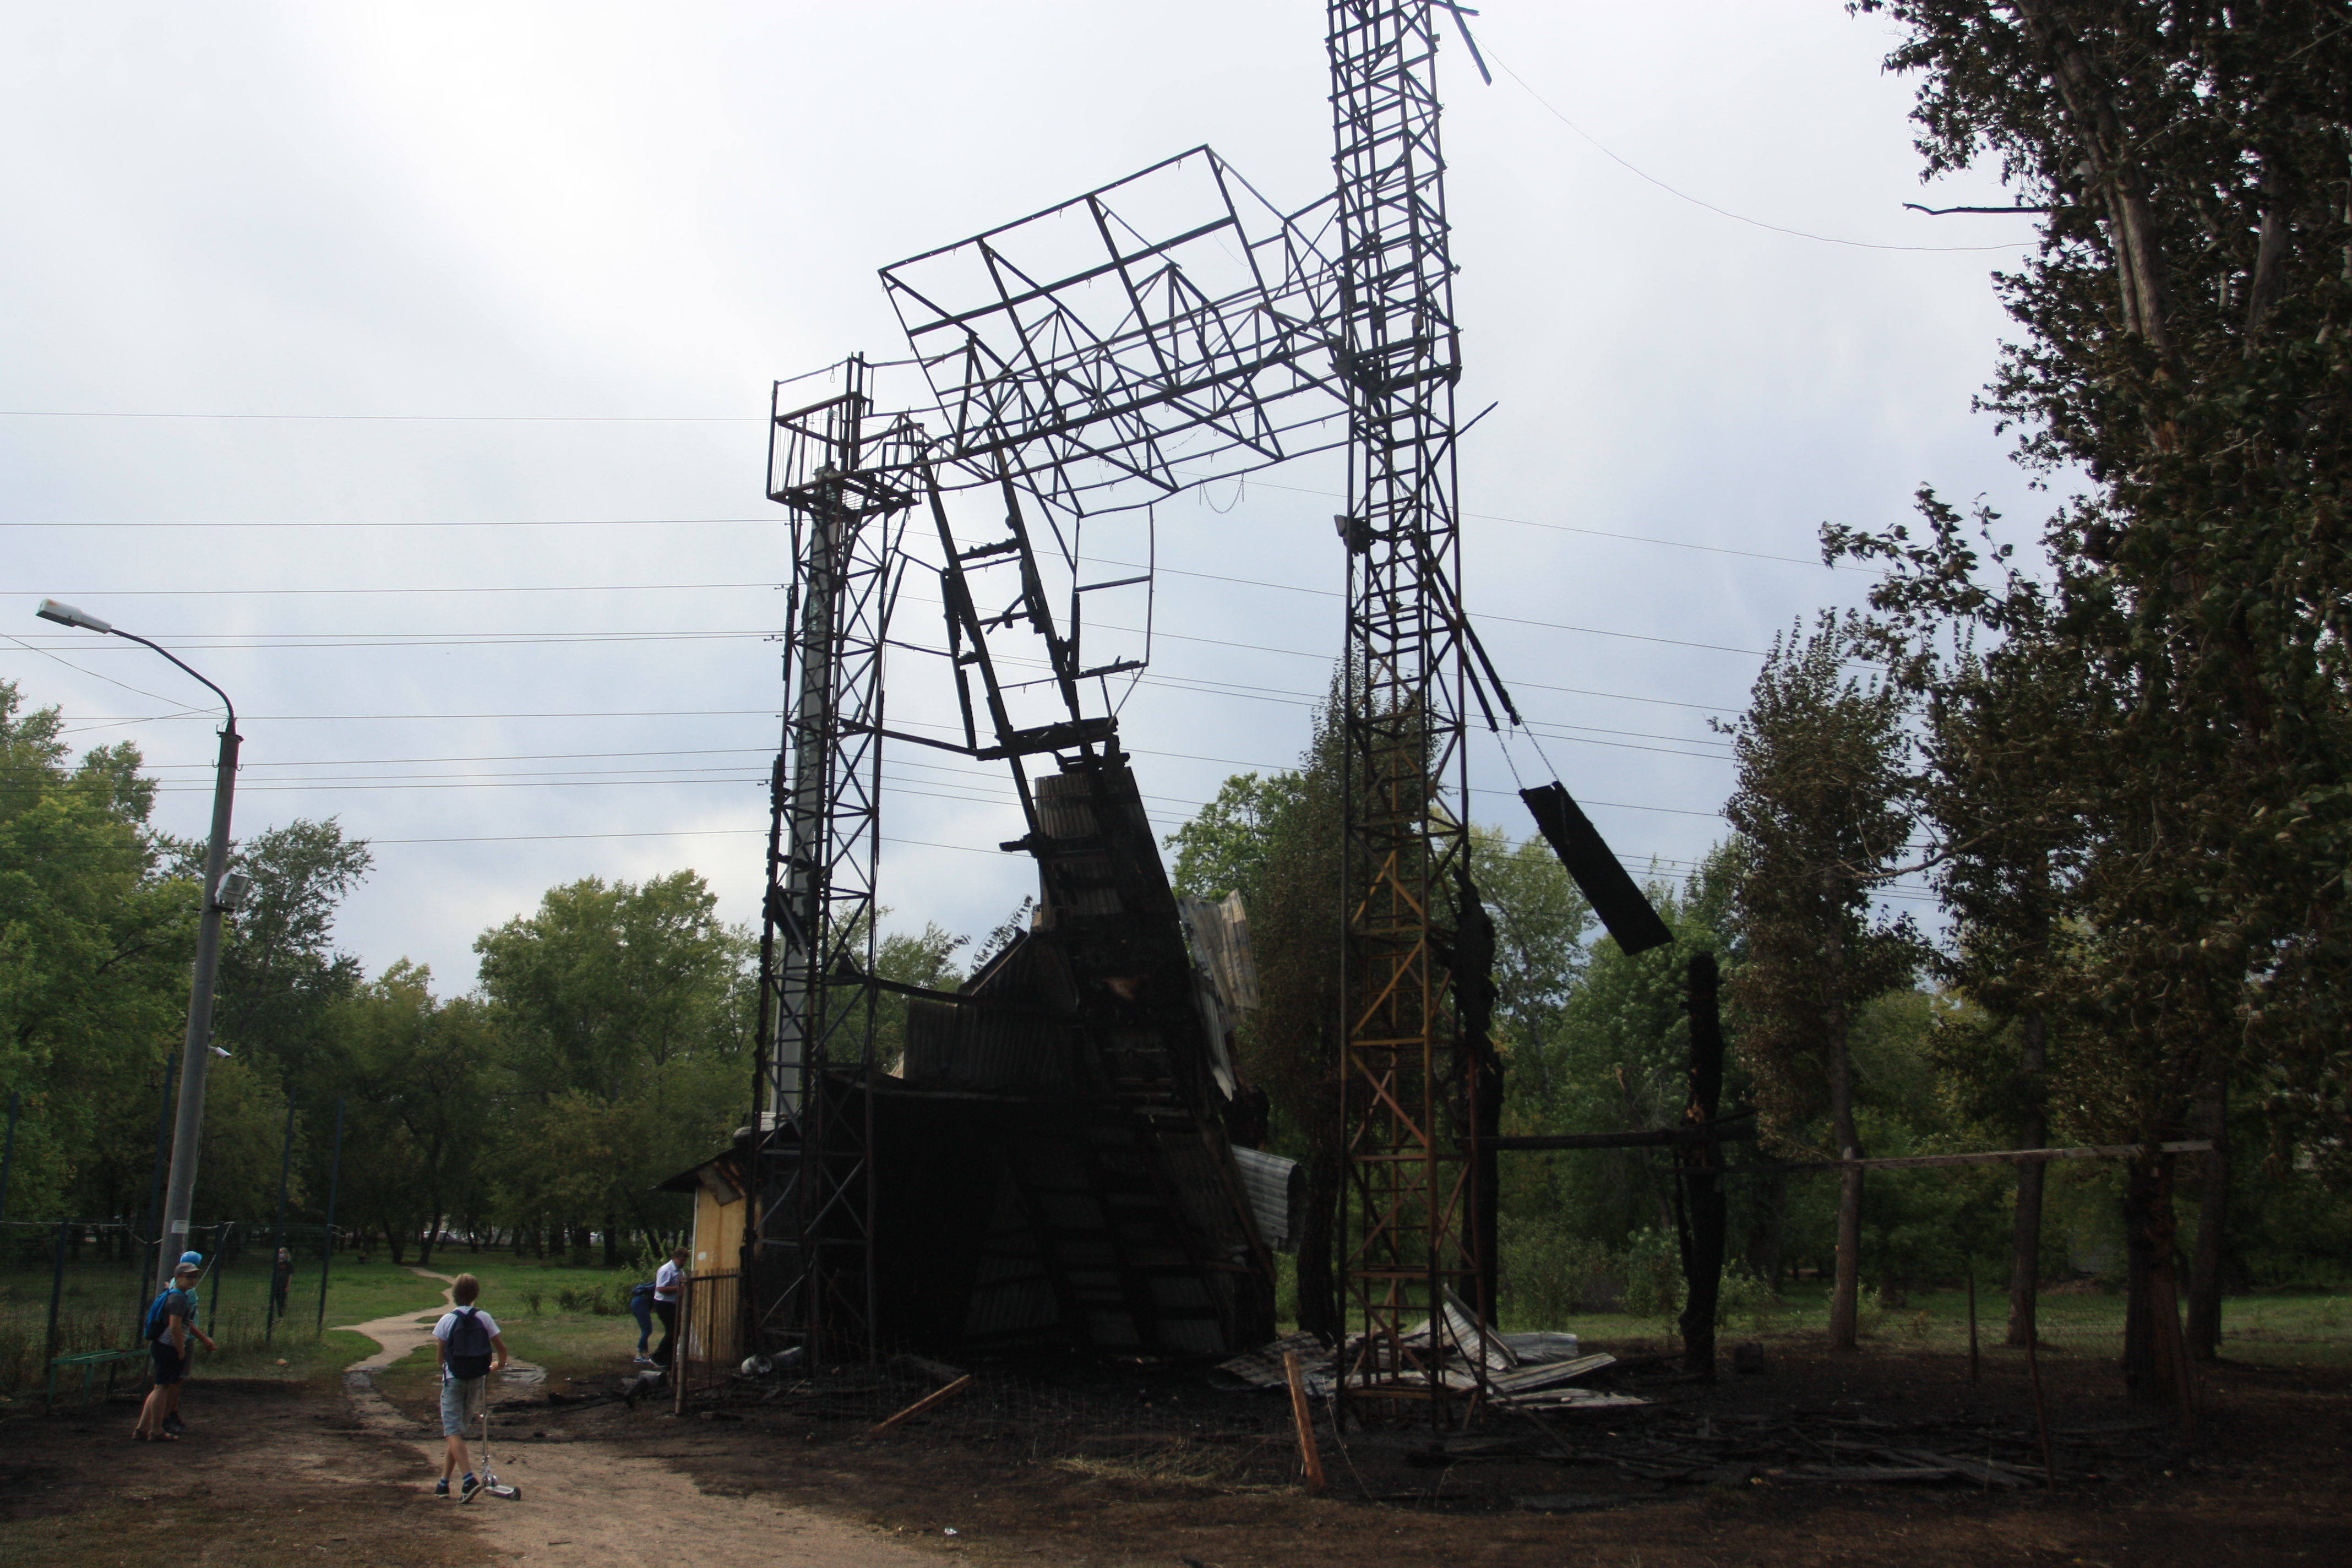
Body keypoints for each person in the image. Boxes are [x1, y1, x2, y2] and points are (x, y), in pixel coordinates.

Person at [431, 1273, 509, 1502]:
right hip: (477, 1380)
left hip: (454, 1380)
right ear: (476, 1294)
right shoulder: (484, 1318)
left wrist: (450, 1368)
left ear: (454, 1294)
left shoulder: (447, 1320)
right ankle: (444, 1483)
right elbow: (502, 1350)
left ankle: (468, 1480)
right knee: (457, 1431)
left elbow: (440, 1358)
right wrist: (498, 1365)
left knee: (451, 1431)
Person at [133, 1262, 214, 1441]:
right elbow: (175, 1327)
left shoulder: (174, 1295)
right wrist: (180, 1350)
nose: (193, 1280)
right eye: (188, 1277)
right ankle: (156, 1431)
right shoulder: (178, 1299)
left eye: (194, 1277)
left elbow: (182, 1325)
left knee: (159, 1388)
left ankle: (142, 1429)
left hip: (162, 1346)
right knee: (162, 1389)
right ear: (177, 1278)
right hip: (168, 1347)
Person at [650, 1246, 689, 1369]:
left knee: (676, 1332)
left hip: (674, 1304)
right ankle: (657, 1357)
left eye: (685, 1261)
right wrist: (679, 1288)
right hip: (663, 1304)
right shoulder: (666, 1270)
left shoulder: (681, 1272)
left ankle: (669, 1360)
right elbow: (661, 1288)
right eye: (681, 1260)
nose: (683, 1263)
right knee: (672, 1331)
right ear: (674, 1258)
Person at [627, 1277, 657, 1364]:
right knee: (647, 1330)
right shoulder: (661, 1287)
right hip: (641, 1303)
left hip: (638, 1302)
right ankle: (639, 1355)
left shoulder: (657, 1284)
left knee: (645, 1330)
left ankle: (645, 1353)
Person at [270, 1247, 293, 1317]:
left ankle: (282, 1316)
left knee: (282, 1301)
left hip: (284, 1285)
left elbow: (290, 1275)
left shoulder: (288, 1263)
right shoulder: (276, 1263)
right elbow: (273, 1273)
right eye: (279, 1253)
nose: (279, 1255)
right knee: (277, 1300)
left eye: (281, 1253)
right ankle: (277, 1315)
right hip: (277, 1284)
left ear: (285, 1254)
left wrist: (287, 1286)